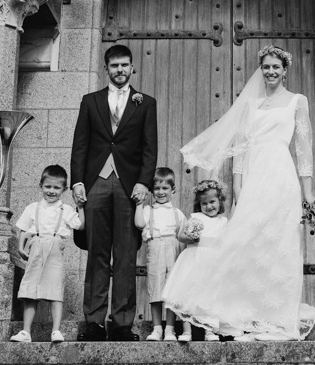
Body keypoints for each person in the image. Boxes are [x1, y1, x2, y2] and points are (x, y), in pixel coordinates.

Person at [163, 44, 315, 341]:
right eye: (266, 67)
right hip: (254, 176)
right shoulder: (250, 105)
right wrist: (238, 190)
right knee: (248, 243)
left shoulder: (297, 102)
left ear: (285, 70)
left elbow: (304, 151)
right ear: (260, 70)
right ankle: (243, 315)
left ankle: (276, 318)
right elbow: (239, 150)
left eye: (276, 66)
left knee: (280, 244)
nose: (271, 71)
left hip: (282, 175)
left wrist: (309, 194)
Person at [70, 44, 158, 342]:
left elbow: (149, 147)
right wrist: (77, 181)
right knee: (96, 253)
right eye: (114, 66)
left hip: (128, 185)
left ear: (132, 67)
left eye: (124, 65)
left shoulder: (145, 103)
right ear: (106, 68)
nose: (120, 70)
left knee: (125, 254)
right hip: (96, 182)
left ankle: (121, 322)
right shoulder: (90, 101)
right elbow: (80, 144)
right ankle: (93, 321)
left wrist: (144, 182)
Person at [10, 164, 85, 343]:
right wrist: (21, 247)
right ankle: (26, 332)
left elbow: (80, 225)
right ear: (41, 186)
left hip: (54, 248)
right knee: (30, 290)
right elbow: (23, 229)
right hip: (36, 246)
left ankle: (56, 330)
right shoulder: (32, 207)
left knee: (55, 290)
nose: (51, 191)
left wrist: (80, 207)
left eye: (56, 187)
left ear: (64, 189)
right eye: (48, 186)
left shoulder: (65, 210)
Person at [160, 179, 230, 341]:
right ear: (199, 205)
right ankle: (186, 331)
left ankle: (209, 331)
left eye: (212, 202)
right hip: (193, 261)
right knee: (187, 296)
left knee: (210, 296)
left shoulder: (223, 222)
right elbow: (181, 236)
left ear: (220, 201)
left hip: (212, 264)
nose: (209, 206)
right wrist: (190, 236)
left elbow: (227, 242)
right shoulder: (196, 218)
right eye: (204, 203)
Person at [134, 166, 188, 342]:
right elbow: (139, 224)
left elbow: (184, 235)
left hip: (173, 249)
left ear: (173, 190)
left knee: (171, 290)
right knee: (155, 288)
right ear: (151, 190)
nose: (160, 192)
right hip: (155, 247)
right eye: (156, 188)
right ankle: (157, 328)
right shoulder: (148, 211)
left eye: (165, 188)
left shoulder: (177, 213)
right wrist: (139, 204)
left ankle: (170, 330)